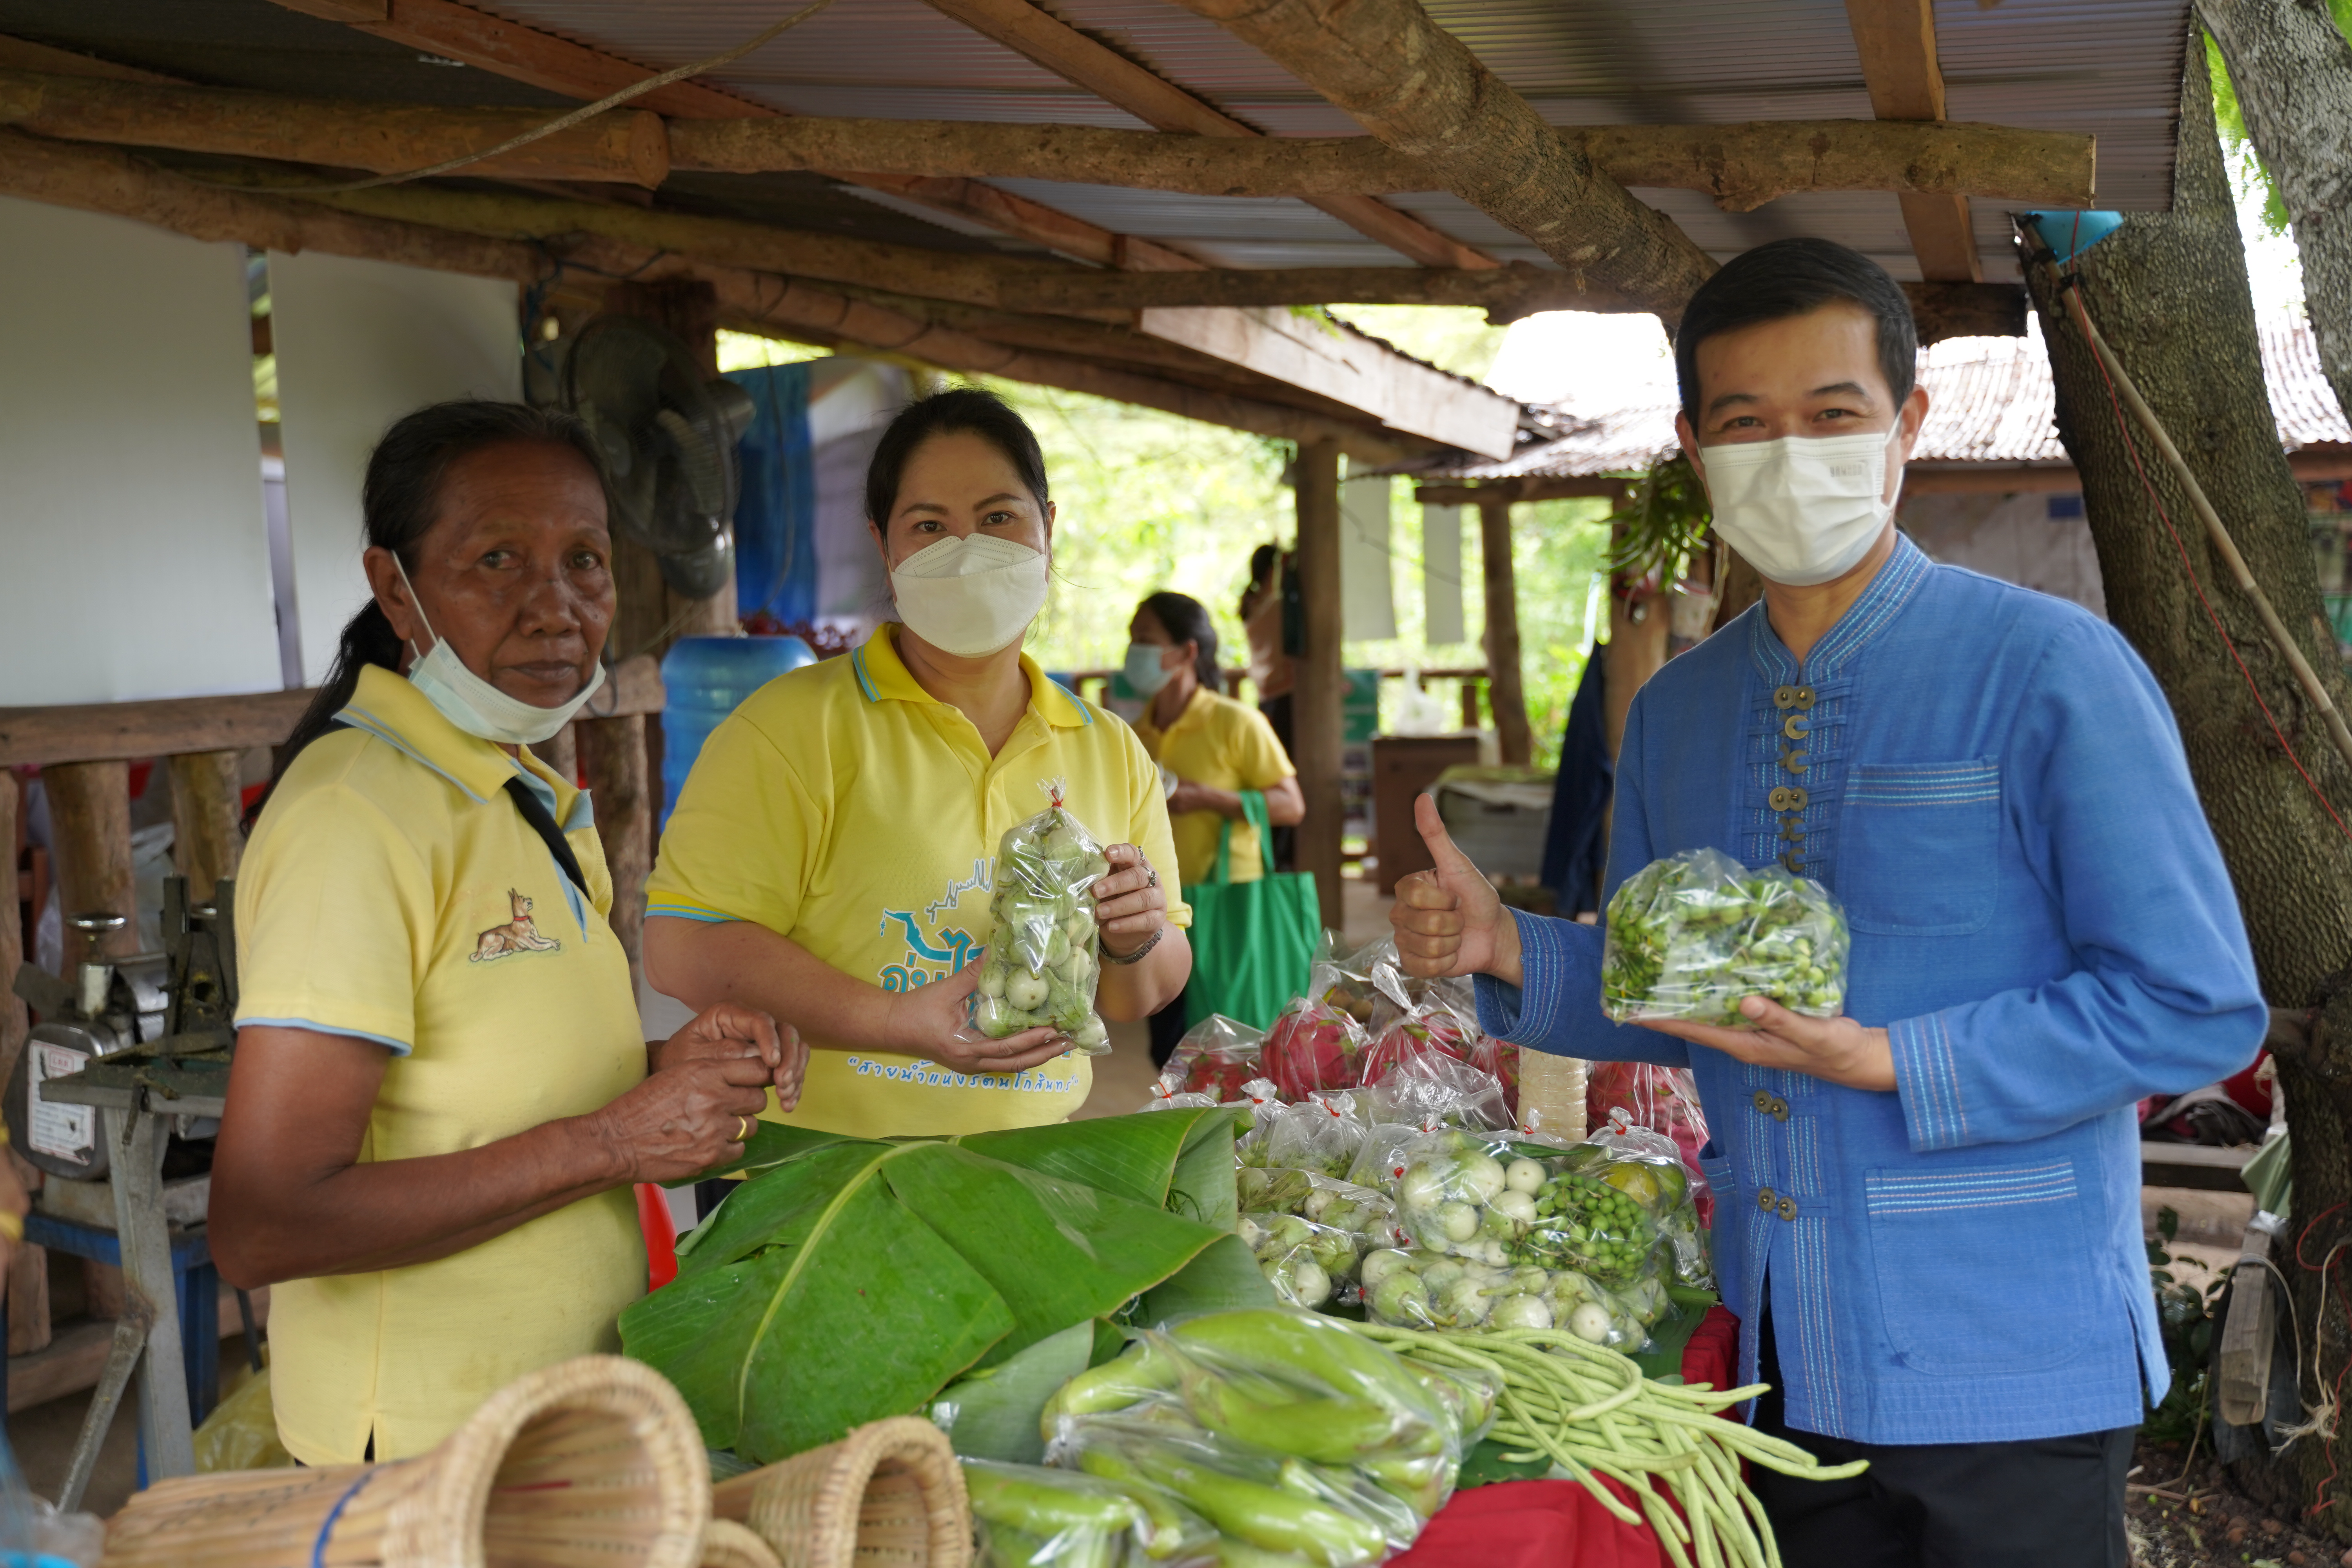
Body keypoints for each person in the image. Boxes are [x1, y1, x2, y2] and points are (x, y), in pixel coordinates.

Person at [1390, 238, 2264, 1567]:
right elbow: (1677, 1000)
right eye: (1747, 424)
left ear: (1907, 425)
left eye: (1834, 413)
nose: (1790, 454)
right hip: (1782, 1359)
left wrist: (1890, 1057)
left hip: (2010, 1359)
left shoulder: (2049, 669)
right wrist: (1508, 945)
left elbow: (2193, 1005)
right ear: (1695, 448)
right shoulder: (1677, 712)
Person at [212, 401, 806, 1465]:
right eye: (497, 560)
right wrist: (621, 1141)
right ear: (396, 587)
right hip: (426, 1452)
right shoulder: (358, 814)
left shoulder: (522, 789)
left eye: (585, 561)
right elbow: (265, 1224)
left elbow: (491, 1082)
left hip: (556, 1412)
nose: (557, 608)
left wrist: (670, 1069)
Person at [642, 390, 1189, 1136]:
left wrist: (1136, 937)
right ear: (884, 545)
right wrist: (894, 1020)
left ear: (1049, 528)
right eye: (930, 526)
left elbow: (1138, 995)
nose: (967, 550)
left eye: (999, 518)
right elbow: (682, 947)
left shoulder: (1109, 747)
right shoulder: (789, 727)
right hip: (820, 1168)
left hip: (1033, 1163)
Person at [1123, 591, 1302, 1065]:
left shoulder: (1236, 722)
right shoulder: (1133, 735)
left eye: (1146, 639)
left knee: (1233, 1044)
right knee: (1171, 1047)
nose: (1134, 651)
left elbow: (1290, 805)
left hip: (1231, 905)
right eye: (1132, 639)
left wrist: (1206, 798)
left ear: (1187, 652)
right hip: (1160, 911)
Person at [1238, 545, 1297, 870]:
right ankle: (1284, 854)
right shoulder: (1275, 606)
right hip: (1284, 697)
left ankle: (1280, 852)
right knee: (1283, 779)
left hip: (1267, 697)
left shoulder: (1252, 604)